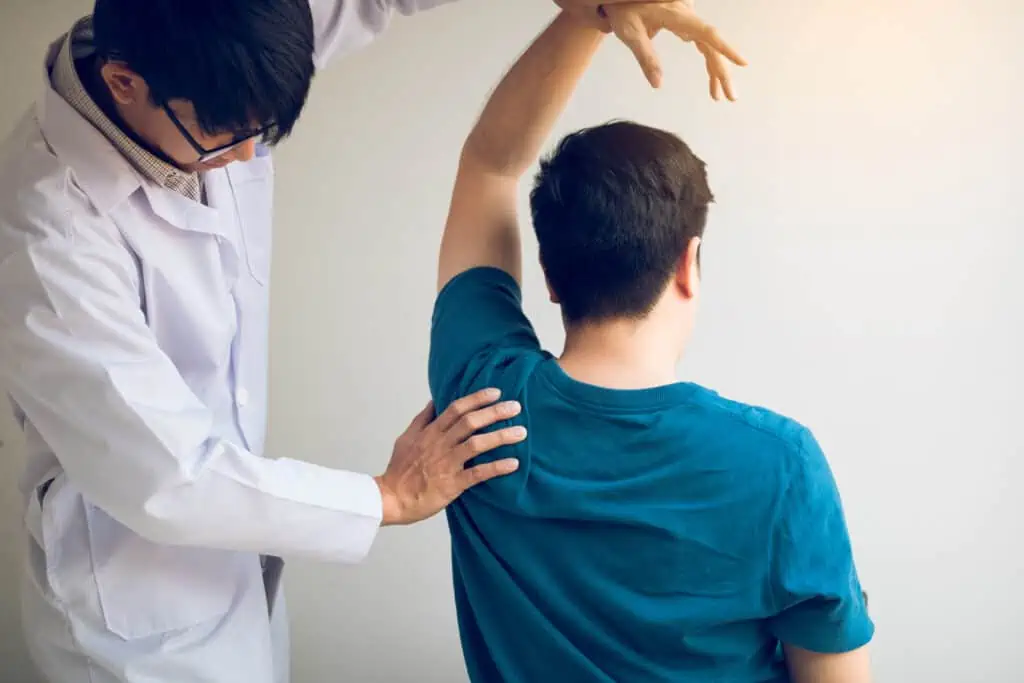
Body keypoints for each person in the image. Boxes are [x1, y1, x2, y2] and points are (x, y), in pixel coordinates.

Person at [0, 0, 675, 681]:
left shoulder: (237, 23)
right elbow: (171, 476)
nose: (241, 157)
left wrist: (588, 8)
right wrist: (386, 496)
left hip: (231, 573)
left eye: (260, 135)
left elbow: (397, 28)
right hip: (134, 619)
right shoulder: (45, 236)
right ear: (123, 82)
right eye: (222, 135)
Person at [429, 3, 875, 682]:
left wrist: (592, 14)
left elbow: (490, 165)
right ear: (689, 263)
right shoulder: (780, 464)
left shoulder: (478, 412)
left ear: (548, 275)